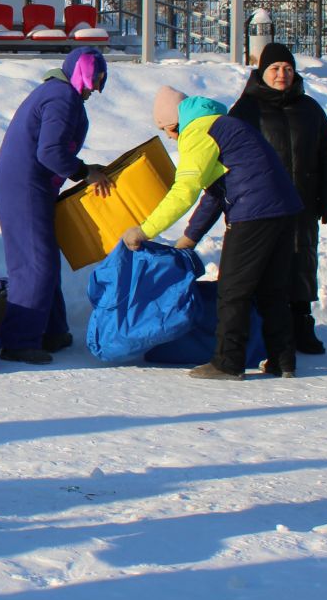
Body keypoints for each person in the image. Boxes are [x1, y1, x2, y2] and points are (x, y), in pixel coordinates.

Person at [120, 85, 301, 381]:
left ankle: (228, 363)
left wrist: (145, 230)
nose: (170, 138)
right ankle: (283, 359)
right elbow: (216, 193)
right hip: (284, 209)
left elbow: (185, 190)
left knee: (232, 290)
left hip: (253, 213)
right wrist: (190, 237)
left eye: (168, 131)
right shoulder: (226, 126)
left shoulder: (198, 132)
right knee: (272, 289)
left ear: (176, 123)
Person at [0, 46, 112, 364]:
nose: (95, 90)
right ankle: (18, 341)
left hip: (30, 185)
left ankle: (51, 330)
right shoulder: (61, 97)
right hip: (24, 186)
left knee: (44, 260)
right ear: (82, 73)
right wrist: (86, 172)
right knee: (34, 264)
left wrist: (83, 170)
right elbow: (50, 153)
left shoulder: (57, 93)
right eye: (95, 80)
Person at [227, 42, 327, 355]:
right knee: (265, 265)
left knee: (302, 260)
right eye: (275, 69)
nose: (282, 75)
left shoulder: (309, 109)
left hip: (302, 202)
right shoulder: (247, 109)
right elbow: (229, 157)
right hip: (261, 206)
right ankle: (267, 329)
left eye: (288, 69)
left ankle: (302, 323)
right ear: (262, 72)